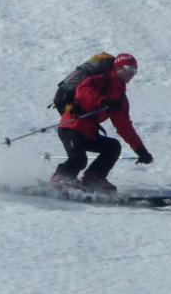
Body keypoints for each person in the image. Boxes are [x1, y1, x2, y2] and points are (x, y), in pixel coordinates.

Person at [50, 52, 153, 192]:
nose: (132, 74)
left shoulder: (120, 98)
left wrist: (141, 150)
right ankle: (61, 179)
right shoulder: (102, 80)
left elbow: (124, 126)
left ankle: (93, 178)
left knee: (113, 147)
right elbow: (83, 90)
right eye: (129, 69)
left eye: (134, 71)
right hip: (72, 127)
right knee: (79, 159)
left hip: (88, 132)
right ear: (119, 68)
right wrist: (102, 100)